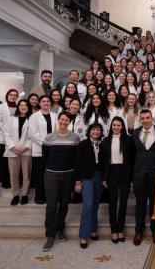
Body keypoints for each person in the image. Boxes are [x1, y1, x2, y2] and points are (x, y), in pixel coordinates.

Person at [42, 112, 80, 252]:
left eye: (67, 120)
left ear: (70, 122)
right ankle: (50, 235)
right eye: (62, 119)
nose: (64, 122)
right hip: (51, 175)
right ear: (58, 120)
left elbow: (76, 158)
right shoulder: (49, 137)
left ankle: (60, 229)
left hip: (68, 175)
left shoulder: (75, 138)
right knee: (52, 205)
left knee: (64, 204)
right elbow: (45, 157)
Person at [132, 110, 155, 246]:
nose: (145, 120)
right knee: (140, 204)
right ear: (140, 120)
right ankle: (139, 231)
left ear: (152, 118)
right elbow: (132, 154)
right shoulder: (135, 133)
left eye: (148, 117)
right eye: (143, 118)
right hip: (139, 174)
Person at [100, 117, 135, 244]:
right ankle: (113, 230)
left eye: (118, 125)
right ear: (111, 127)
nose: (116, 127)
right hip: (111, 173)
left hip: (124, 172)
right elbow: (103, 162)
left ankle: (121, 229)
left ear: (122, 126)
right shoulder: (105, 141)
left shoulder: (129, 140)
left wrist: (131, 176)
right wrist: (104, 178)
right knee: (113, 202)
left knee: (124, 202)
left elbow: (132, 159)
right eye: (114, 125)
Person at [75, 123, 104, 249]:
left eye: (98, 130)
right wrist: (77, 181)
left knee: (96, 205)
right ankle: (83, 235)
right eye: (93, 129)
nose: (95, 132)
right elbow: (77, 163)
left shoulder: (103, 145)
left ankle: (93, 230)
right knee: (88, 205)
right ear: (89, 131)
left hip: (99, 178)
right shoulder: (82, 144)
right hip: (87, 178)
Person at [28, 95, 58, 204]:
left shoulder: (55, 115)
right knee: (39, 175)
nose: (46, 103)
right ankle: (39, 196)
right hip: (39, 150)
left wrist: (52, 144)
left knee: (51, 176)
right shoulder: (34, 116)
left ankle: (50, 197)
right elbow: (33, 134)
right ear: (39, 103)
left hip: (53, 151)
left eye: (48, 101)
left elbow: (58, 131)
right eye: (43, 101)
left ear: (50, 103)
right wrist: (46, 144)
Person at [3, 99, 32, 205]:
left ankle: (24, 194)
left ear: (28, 107)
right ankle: (15, 195)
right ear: (18, 107)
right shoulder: (11, 119)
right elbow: (6, 134)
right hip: (13, 150)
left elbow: (32, 136)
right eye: (21, 105)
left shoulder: (31, 119)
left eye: (25, 105)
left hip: (26, 150)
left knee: (26, 174)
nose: (23, 107)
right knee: (13, 174)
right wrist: (13, 147)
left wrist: (25, 147)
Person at [0, 89, 19, 190]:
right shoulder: (0, 106)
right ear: (7, 95)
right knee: (3, 162)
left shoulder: (18, 107)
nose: (13, 97)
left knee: (13, 162)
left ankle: (13, 181)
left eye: (15, 95)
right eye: (11, 95)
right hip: (2, 138)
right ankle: (5, 182)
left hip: (15, 139)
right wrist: (8, 131)